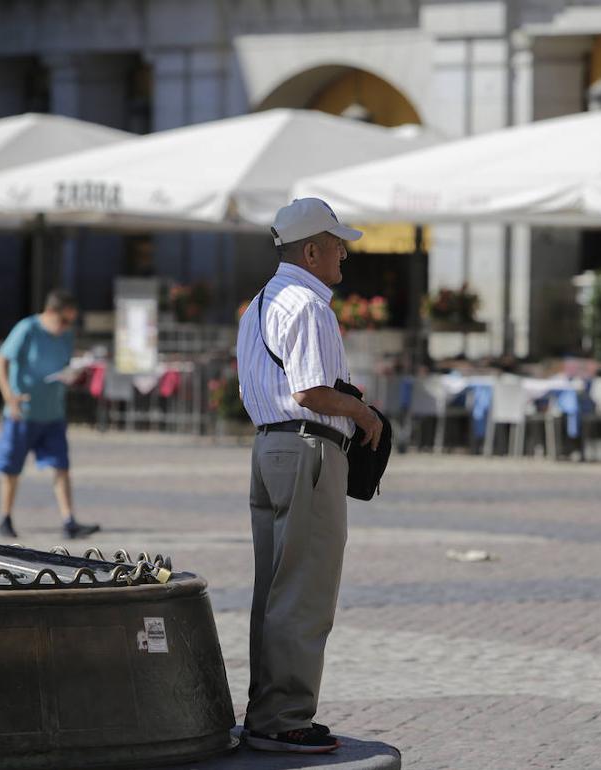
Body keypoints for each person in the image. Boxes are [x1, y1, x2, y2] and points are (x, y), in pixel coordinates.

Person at [235, 198, 383, 754]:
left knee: (273, 588)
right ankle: (284, 718)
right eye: (337, 243)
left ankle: (266, 710)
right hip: (306, 450)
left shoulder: (259, 303)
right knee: (305, 588)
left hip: (270, 449)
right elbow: (311, 391)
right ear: (312, 250)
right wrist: (364, 414)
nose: (344, 253)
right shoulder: (308, 304)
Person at [0, 289, 100, 540]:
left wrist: (71, 375)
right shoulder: (26, 329)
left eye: (70, 321)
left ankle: (69, 521)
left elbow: (64, 364)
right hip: (23, 411)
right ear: (49, 312)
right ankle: (5, 518)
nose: (66, 326)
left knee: (61, 466)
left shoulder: (66, 335)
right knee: (11, 467)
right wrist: (8, 395)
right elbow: (0, 361)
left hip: (53, 412)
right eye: (63, 320)